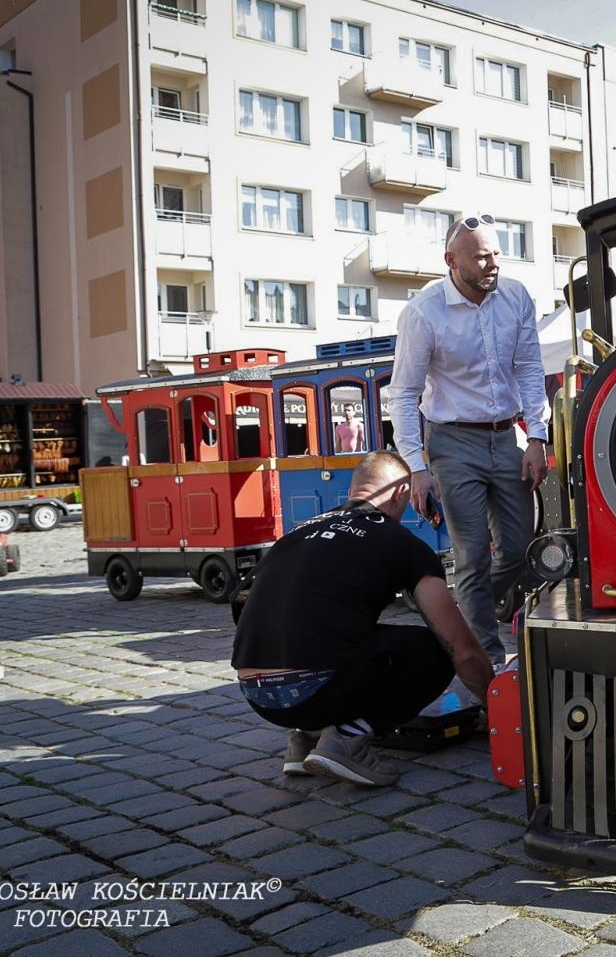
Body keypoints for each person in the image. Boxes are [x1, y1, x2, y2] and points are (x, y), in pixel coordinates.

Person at [232, 451, 494, 786]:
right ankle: (346, 739)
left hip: (259, 697)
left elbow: (241, 603)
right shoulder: (401, 543)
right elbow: (461, 646)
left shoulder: (296, 533)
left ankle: (306, 738)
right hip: (314, 689)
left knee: (339, 633)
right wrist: (497, 708)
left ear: (355, 489)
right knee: (433, 649)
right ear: (401, 493)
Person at [386, 213, 548, 670]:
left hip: (506, 436)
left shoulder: (515, 296)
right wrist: (417, 468)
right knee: (472, 555)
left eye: (496, 253)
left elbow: (531, 370)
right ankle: (489, 663)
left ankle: (456, 615)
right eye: (481, 257)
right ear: (451, 261)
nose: (492, 263)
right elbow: (403, 394)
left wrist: (537, 435)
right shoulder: (423, 312)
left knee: (519, 549)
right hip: (452, 443)